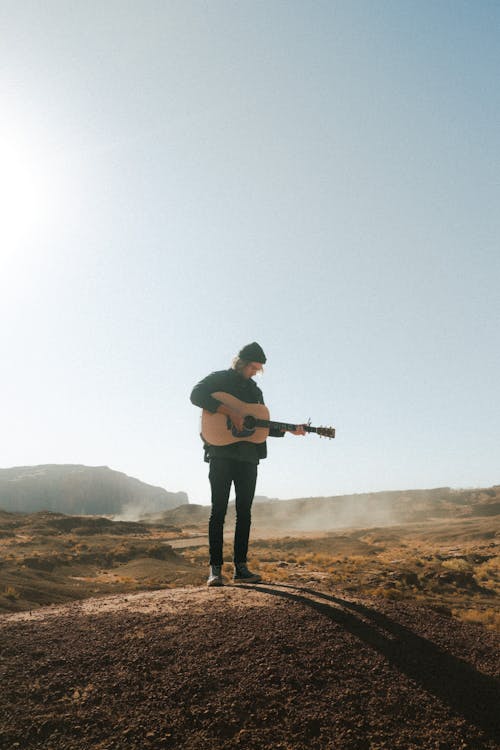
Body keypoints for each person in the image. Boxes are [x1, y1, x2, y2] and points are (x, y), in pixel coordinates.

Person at [190, 342, 305, 587]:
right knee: (218, 511)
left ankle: (241, 568)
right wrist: (229, 412)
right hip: (221, 454)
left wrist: (289, 430)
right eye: (253, 367)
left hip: (248, 458)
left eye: (258, 369)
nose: (255, 372)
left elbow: (260, 425)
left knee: (245, 513)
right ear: (242, 363)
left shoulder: (255, 392)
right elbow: (195, 395)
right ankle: (215, 570)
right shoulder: (218, 379)